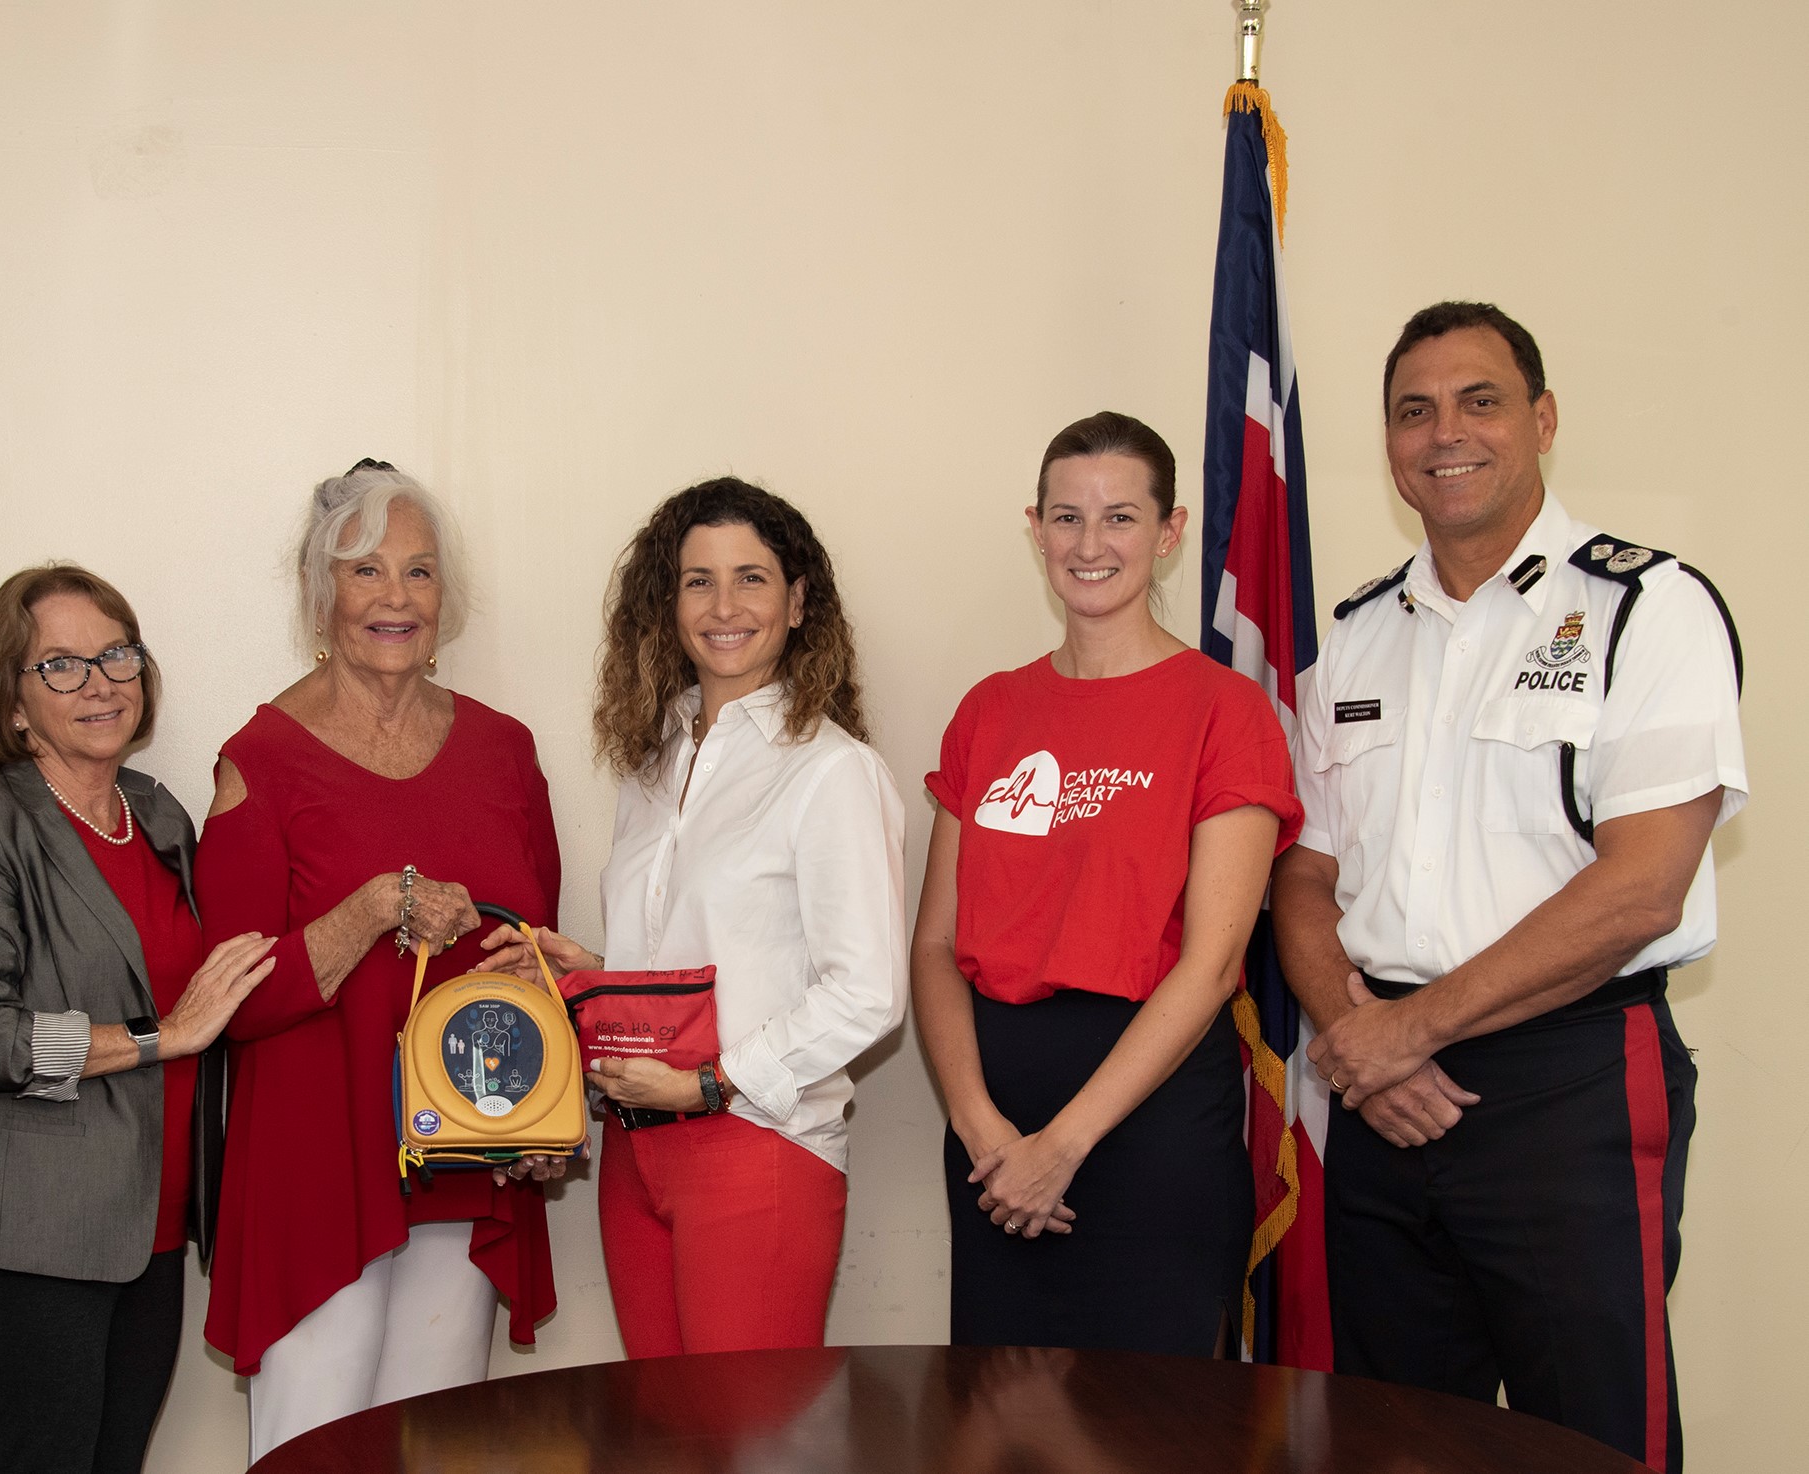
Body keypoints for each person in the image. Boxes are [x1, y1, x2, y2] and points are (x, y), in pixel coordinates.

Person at [1273, 302, 1745, 1473]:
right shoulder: (1355, 641)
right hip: (1381, 1098)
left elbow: (1642, 890)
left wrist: (1399, 1035)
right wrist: (1353, 1031)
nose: (1447, 432)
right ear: (1388, 443)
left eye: (1479, 400)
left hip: (1567, 1087)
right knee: (1390, 1440)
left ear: (1540, 419)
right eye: (1413, 410)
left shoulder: (1653, 609)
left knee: (1585, 1440)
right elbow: (1306, 873)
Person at [480, 477, 909, 1358]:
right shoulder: (655, 764)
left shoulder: (831, 771)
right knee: (662, 1440)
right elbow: (708, 964)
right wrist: (586, 975)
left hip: (756, 1148)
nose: (723, 606)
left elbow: (868, 994)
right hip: (636, 1151)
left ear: (798, 602)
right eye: (697, 580)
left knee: (748, 1440)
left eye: (751, 578)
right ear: (667, 603)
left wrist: (712, 1084)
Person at [195, 460, 564, 1463]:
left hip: (466, 1154)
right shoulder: (259, 761)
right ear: (322, 591)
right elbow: (228, 1003)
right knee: (316, 1447)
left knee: (440, 1448)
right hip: (318, 1165)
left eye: (419, 571)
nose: (394, 598)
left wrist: (547, 1095)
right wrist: (367, 910)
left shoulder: (506, 751)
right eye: (365, 572)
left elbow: (534, 955)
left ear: (447, 594)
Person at [912, 411, 1301, 1356]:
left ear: (1168, 534)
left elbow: (1211, 968)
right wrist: (983, 1131)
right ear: (1036, 528)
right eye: (1067, 517)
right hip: (993, 1122)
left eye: (1121, 517)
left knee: (1147, 1429)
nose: (1091, 545)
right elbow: (933, 945)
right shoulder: (990, 709)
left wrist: (1063, 1146)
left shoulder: (1226, 711)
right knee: (995, 1424)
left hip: (1148, 1116)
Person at [0, 566, 276, 1474]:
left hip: (154, 1221)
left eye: (115, 654)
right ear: (14, 703)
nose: (99, 682)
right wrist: (161, 1038)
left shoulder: (158, 815)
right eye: (59, 665)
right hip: (34, 1228)